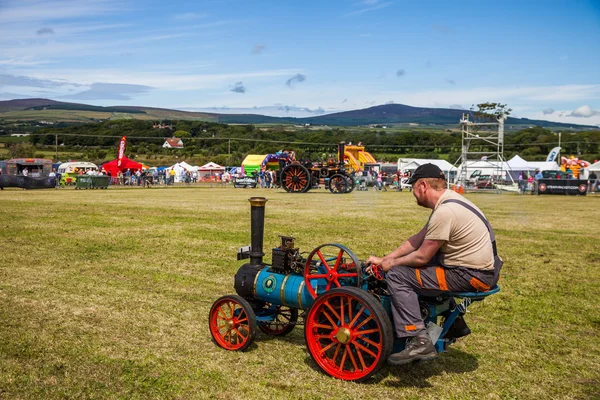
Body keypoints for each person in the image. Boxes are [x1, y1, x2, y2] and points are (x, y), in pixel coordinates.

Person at [366, 163, 502, 366]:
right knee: (425, 266)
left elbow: (420, 256)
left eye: (412, 187)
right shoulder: (452, 201)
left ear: (422, 185)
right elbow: (417, 240)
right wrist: (385, 260)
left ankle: (419, 340)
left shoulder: (445, 212)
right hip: (482, 271)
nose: (412, 193)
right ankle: (455, 323)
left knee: (399, 275)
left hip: (472, 276)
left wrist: (392, 265)